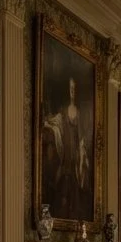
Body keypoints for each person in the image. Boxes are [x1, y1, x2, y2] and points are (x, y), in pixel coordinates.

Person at [43, 77, 91, 220]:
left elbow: (81, 135)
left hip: (75, 152)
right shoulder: (63, 111)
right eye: (70, 88)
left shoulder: (79, 112)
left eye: (74, 89)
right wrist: (48, 123)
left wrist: (82, 152)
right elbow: (56, 123)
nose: (72, 91)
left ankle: (73, 212)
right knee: (63, 178)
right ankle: (62, 212)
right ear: (67, 90)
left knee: (75, 182)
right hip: (66, 149)